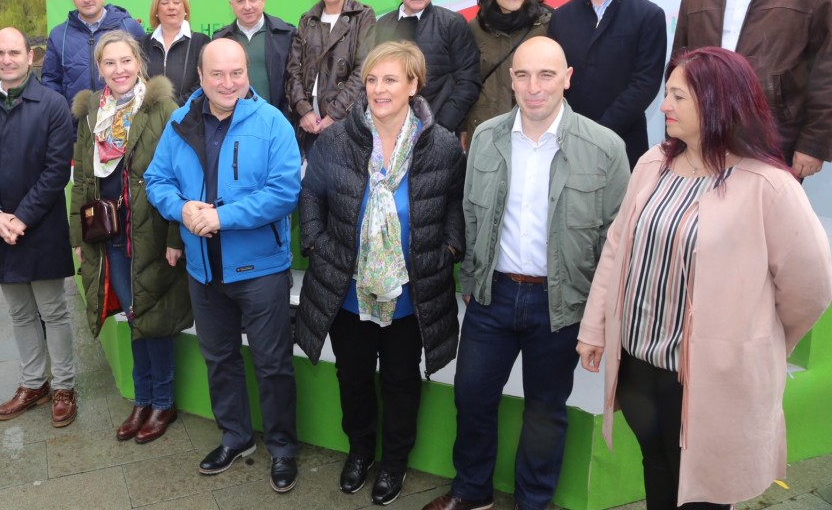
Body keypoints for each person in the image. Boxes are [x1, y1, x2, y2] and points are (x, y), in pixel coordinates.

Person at [577, 47, 832, 509]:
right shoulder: (652, 164)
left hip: (710, 379)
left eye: (678, 97)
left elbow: (811, 287)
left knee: (703, 496)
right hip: (639, 365)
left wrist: (753, 340)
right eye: (667, 93)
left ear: (719, 102)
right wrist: (595, 328)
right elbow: (617, 249)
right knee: (657, 470)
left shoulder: (768, 185)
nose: (664, 106)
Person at [423, 37, 629, 510]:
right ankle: (471, 491)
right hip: (492, 296)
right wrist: (471, 279)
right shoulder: (485, 137)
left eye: (546, 75)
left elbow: (616, 242)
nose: (534, 87)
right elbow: (470, 215)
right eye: (523, 75)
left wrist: (598, 317)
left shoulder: (605, 148)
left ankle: (533, 502)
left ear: (567, 79)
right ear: (511, 80)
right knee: (472, 396)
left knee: (544, 411)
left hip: (561, 303)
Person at [296, 41, 464, 505]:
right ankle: (359, 451)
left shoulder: (441, 145)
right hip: (348, 291)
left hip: (411, 295)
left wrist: (448, 248)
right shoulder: (337, 140)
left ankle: (394, 462)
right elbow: (311, 195)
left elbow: (455, 203)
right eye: (372, 79)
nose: (378, 89)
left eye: (390, 79)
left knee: (400, 381)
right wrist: (317, 243)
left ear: (413, 85)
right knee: (352, 377)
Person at [145, 39, 301, 493]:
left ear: (248, 73)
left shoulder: (272, 123)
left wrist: (221, 217)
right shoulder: (181, 121)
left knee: (273, 364)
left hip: (260, 270)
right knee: (219, 360)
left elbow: (284, 193)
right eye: (217, 74)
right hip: (203, 270)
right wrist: (181, 208)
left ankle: (283, 448)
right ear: (200, 76)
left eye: (237, 73)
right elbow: (156, 179)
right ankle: (235, 437)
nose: (228, 82)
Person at [70, 31, 193, 444]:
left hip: (152, 232)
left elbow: (182, 176)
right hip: (108, 234)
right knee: (135, 315)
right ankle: (143, 399)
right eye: (110, 62)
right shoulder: (92, 112)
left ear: (139, 62)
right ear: (99, 67)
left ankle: (163, 402)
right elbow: (82, 179)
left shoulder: (162, 109)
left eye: (126, 61)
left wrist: (176, 237)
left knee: (153, 316)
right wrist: (77, 235)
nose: (119, 69)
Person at [0, 27, 79, 428]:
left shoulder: (53, 105)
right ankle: (33, 383)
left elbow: (56, 171)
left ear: (31, 57)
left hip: (39, 225)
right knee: (19, 311)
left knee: (53, 310)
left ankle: (63, 386)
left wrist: (21, 217)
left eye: (14, 52)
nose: (7, 59)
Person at [673, 0, 832, 180]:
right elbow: (678, 68)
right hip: (705, 136)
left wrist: (813, 143)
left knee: (764, 211)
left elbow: (827, 70)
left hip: (775, 139)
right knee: (702, 209)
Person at [548, 0, 667, 168]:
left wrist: (600, 131)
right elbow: (553, 77)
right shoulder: (561, 17)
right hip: (568, 143)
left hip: (623, 142)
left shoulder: (647, 15)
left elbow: (645, 83)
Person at [370, 0, 481, 135]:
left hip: (437, 132)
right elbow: (373, 79)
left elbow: (469, 82)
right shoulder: (382, 26)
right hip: (389, 133)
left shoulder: (452, 23)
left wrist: (441, 127)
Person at [285, 0, 376, 157]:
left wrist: (334, 115)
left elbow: (364, 70)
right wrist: (304, 110)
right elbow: (293, 70)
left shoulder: (363, 16)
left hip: (346, 121)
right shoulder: (307, 19)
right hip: (309, 124)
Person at [464, 0, 551, 146]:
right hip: (487, 130)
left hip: (534, 128)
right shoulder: (476, 28)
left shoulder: (545, 24)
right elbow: (467, 81)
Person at [42, 0, 146, 108]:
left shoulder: (130, 27)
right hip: (76, 118)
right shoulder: (58, 35)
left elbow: (146, 71)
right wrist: (61, 113)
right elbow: (51, 80)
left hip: (125, 115)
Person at [213, 0, 296, 118]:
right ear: (231, 5)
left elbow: (295, 81)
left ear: (263, 1)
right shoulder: (220, 40)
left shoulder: (286, 35)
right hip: (233, 121)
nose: (247, 6)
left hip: (277, 120)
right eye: (240, 1)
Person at [142, 0, 209, 105]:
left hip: (189, 113)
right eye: (164, 3)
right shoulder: (143, 44)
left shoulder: (201, 42)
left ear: (185, 9)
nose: (171, 7)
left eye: (177, 2)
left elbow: (203, 83)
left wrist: (175, 108)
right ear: (156, 11)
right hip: (151, 114)